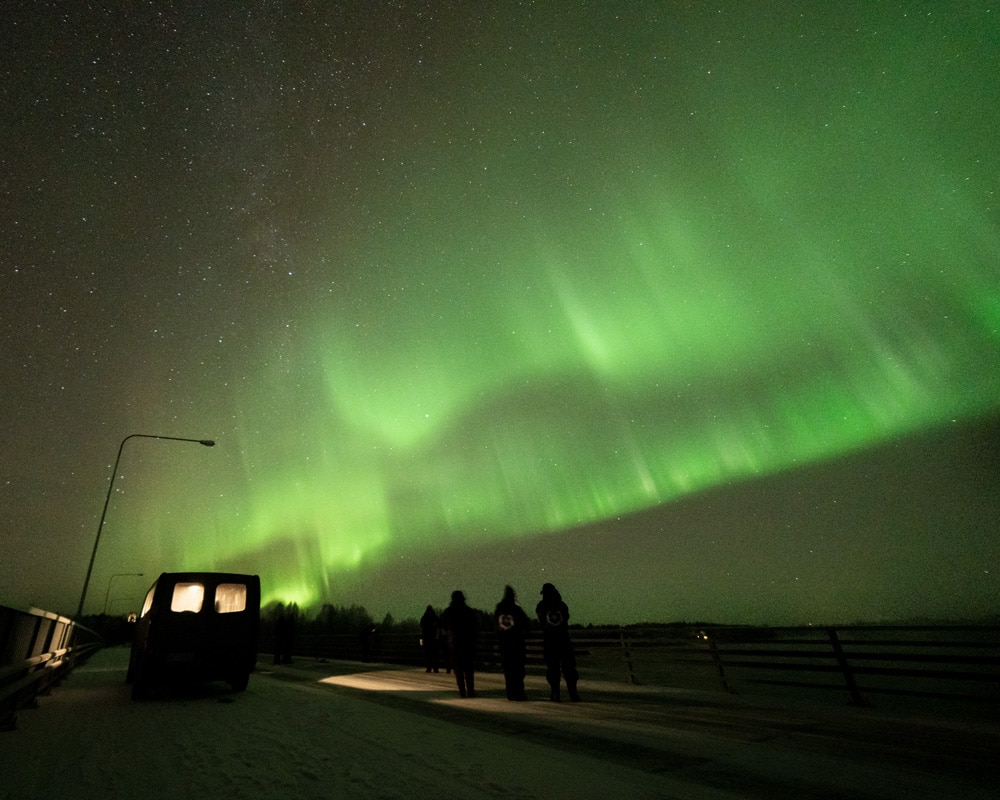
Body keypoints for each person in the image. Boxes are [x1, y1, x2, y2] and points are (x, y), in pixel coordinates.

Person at [536, 582, 580, 702]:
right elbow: (566, 618)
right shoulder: (562, 605)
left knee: (552, 668)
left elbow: (541, 621)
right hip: (564, 640)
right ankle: (573, 694)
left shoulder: (541, 606)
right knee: (569, 667)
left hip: (550, 641)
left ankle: (555, 694)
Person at [438, 590, 479, 698]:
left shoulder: (448, 611)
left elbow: (441, 624)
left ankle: (462, 691)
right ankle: (470, 691)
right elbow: (476, 625)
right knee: (469, 668)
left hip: (454, 643)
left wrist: (447, 633)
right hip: (468, 642)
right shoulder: (468, 611)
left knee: (458, 668)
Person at [494, 585, 530, 700]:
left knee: (508, 670)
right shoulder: (516, 609)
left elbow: (495, 624)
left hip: (504, 644)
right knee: (518, 670)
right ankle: (519, 693)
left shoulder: (499, 609)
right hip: (517, 643)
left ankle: (510, 693)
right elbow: (526, 623)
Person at [419, 604, 440, 673]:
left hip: (426, 637)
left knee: (428, 653)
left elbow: (421, 627)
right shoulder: (435, 617)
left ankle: (429, 668)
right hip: (433, 637)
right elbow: (438, 627)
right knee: (435, 653)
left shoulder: (424, 617)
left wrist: (421, 638)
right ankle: (435, 668)